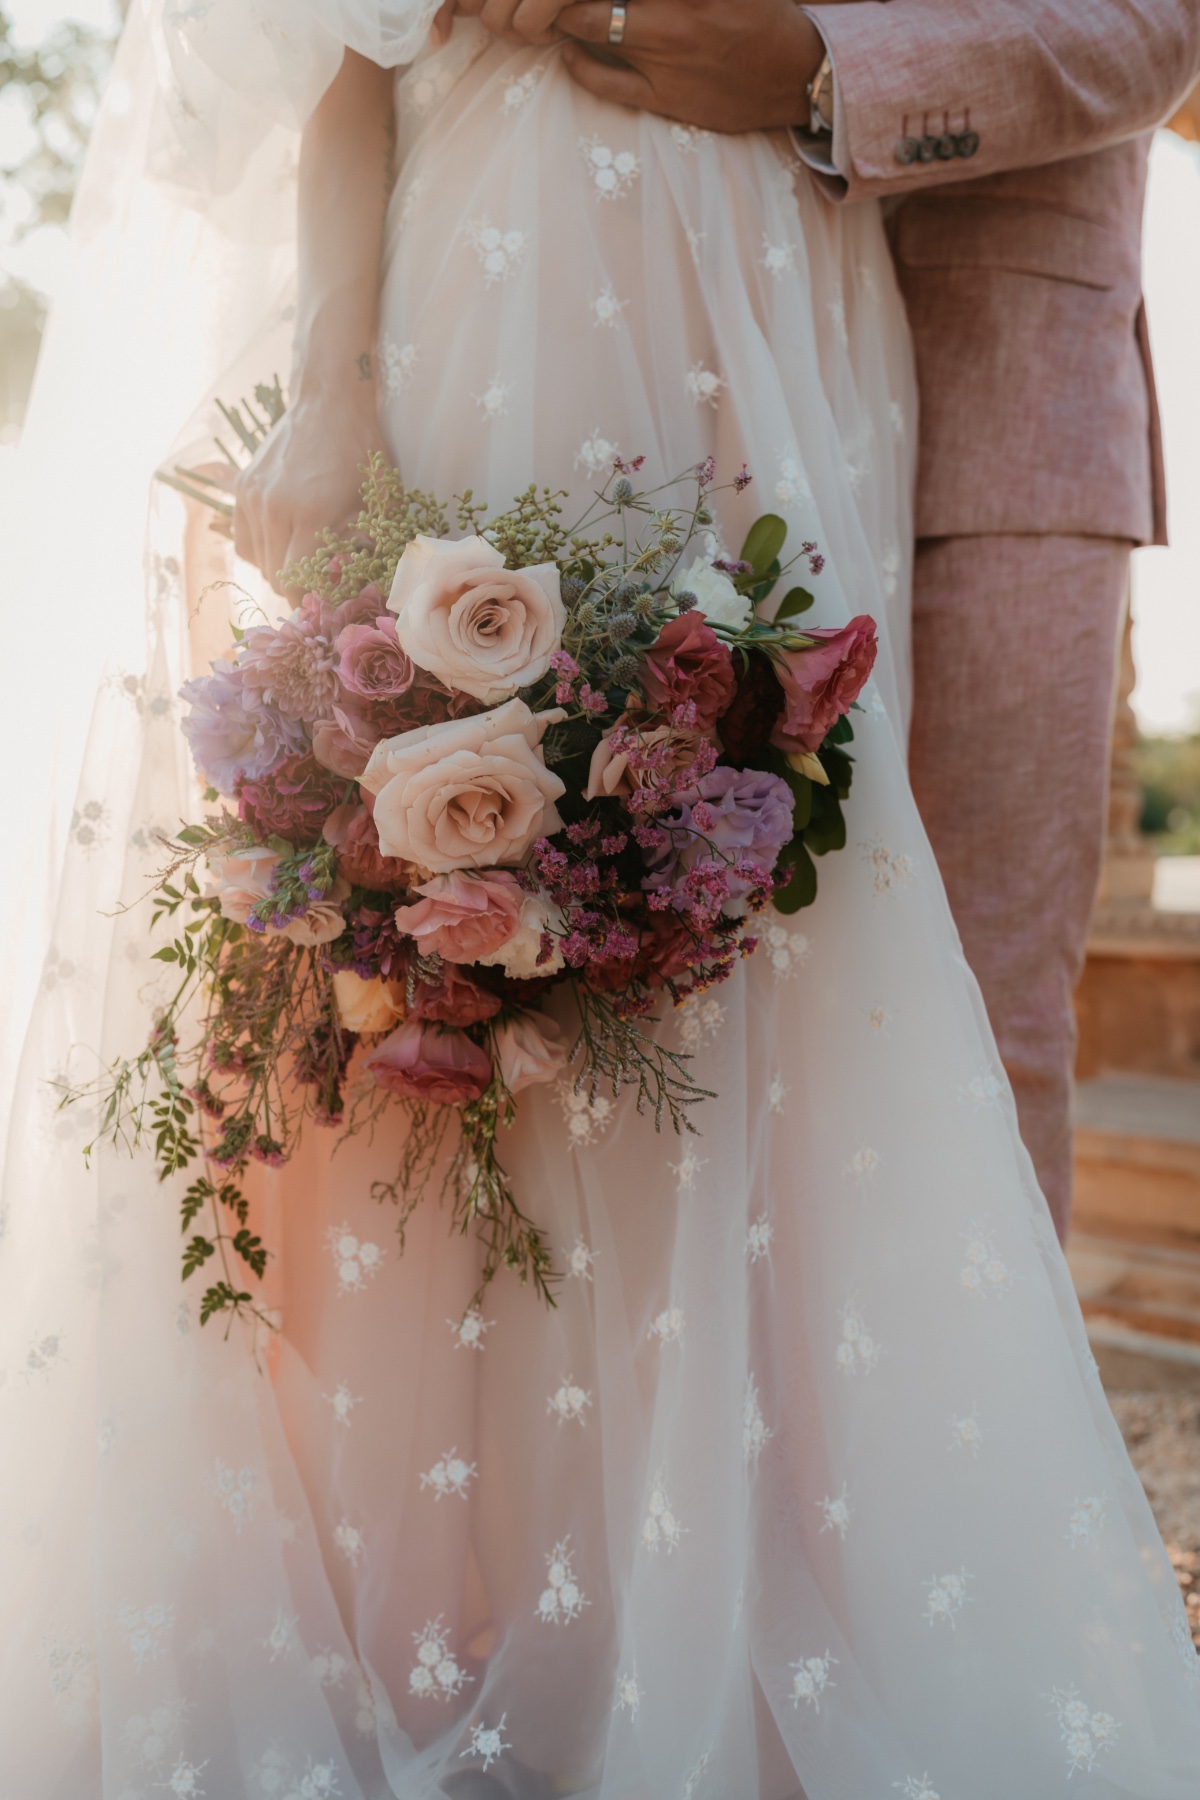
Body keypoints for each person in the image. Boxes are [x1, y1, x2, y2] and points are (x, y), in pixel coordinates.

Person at [2, 2, 1200, 1796]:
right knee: (436, 922)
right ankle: (449, 1607)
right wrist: (334, 369)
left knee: (801, 943)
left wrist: (804, 69)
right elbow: (339, 40)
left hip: (804, 296)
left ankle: (772, 1587)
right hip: (497, 269)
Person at [543, 0, 1200, 1242]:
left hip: (994, 407)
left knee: (970, 1010)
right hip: (687, 348)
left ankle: (982, 1431)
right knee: (670, 981)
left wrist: (827, 71)